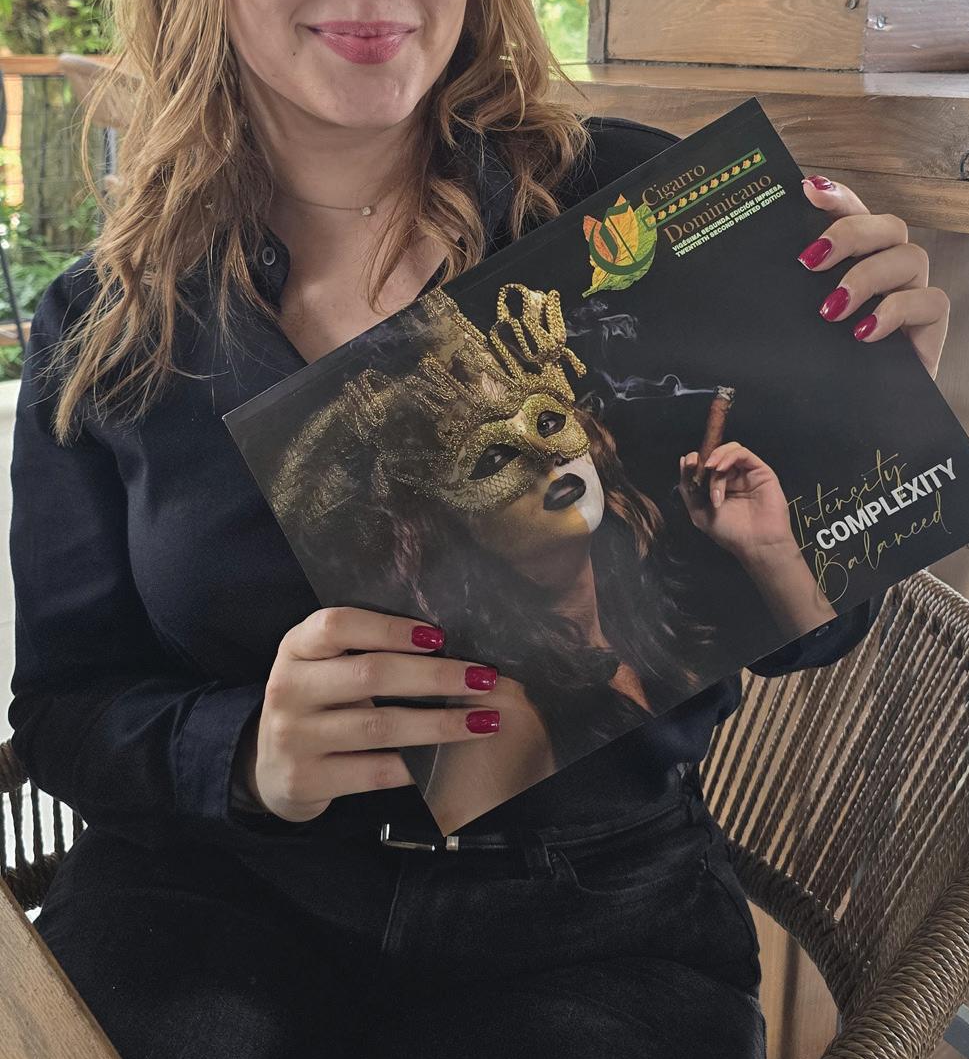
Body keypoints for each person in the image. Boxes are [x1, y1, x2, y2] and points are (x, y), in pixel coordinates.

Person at [7, 0, 950, 1059]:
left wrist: (867, 401)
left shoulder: (636, 214)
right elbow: (65, 711)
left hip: (594, 923)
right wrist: (241, 751)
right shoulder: (107, 324)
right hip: (209, 902)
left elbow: (813, 633)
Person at [264, 281, 836, 833]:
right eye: (493, 460)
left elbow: (819, 645)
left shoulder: (646, 607)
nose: (545, 458)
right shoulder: (509, 713)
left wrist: (769, 551)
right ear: (452, 528)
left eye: (546, 421)